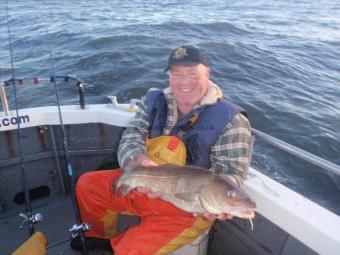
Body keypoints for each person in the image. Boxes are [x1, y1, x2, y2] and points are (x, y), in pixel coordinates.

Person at [72, 45, 253, 255]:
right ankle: (98, 238)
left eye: (192, 73)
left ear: (207, 73)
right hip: (147, 181)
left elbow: (232, 172)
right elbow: (131, 136)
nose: (184, 82)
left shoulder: (232, 119)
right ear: (169, 76)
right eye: (177, 75)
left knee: (132, 250)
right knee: (87, 185)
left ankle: (114, 249)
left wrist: (223, 202)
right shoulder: (153, 101)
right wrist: (135, 161)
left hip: (189, 207)